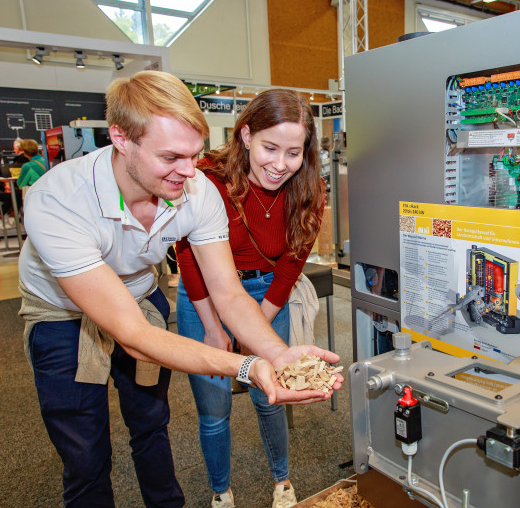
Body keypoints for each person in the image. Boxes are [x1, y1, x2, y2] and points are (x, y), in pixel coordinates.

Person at [17, 71, 342, 508]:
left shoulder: (195, 188)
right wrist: (247, 367)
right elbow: (136, 338)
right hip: (59, 312)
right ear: (121, 138)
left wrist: (276, 352)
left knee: (151, 424)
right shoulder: (56, 200)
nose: (189, 171)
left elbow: (227, 292)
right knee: (85, 450)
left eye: (193, 154)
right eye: (171, 156)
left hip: (136, 290)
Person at [176, 89, 325, 508]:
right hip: (202, 295)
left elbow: (290, 266)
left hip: (265, 294)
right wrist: (212, 328)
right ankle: (221, 492)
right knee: (213, 408)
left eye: (293, 152)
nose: (280, 165)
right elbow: (187, 255)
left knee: (271, 395)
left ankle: (282, 480)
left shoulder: (308, 189)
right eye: (270, 148)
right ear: (245, 135)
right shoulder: (207, 178)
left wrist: (253, 326)